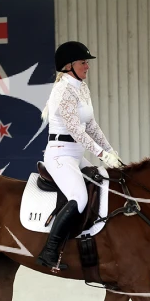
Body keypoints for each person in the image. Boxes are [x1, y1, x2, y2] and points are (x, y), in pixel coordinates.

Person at [36, 41, 124, 272]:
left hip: (76, 155)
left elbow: (91, 125)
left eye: (86, 62)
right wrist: (101, 154)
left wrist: (110, 151)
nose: (87, 66)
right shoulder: (63, 91)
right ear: (69, 66)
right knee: (80, 198)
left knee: (103, 182)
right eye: (83, 62)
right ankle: (49, 251)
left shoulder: (81, 87)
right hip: (60, 155)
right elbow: (76, 130)